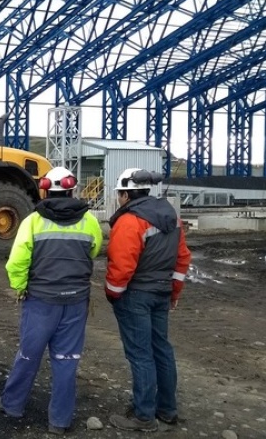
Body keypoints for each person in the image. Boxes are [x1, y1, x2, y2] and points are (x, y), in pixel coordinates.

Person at [0, 166, 103, 435]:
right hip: (75, 302)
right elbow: (95, 249)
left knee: (29, 355)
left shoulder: (33, 221)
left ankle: (12, 406)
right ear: (71, 189)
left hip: (41, 301)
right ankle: (59, 422)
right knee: (66, 360)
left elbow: (17, 262)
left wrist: (20, 287)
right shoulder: (89, 221)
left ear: (45, 189)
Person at [105, 168, 191, 432]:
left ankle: (144, 416)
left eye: (119, 194)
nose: (118, 199)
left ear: (126, 194)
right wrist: (173, 292)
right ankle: (166, 410)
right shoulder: (171, 217)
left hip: (136, 296)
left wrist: (113, 295)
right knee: (161, 350)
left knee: (141, 355)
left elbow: (121, 266)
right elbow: (182, 259)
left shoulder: (130, 221)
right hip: (161, 293)